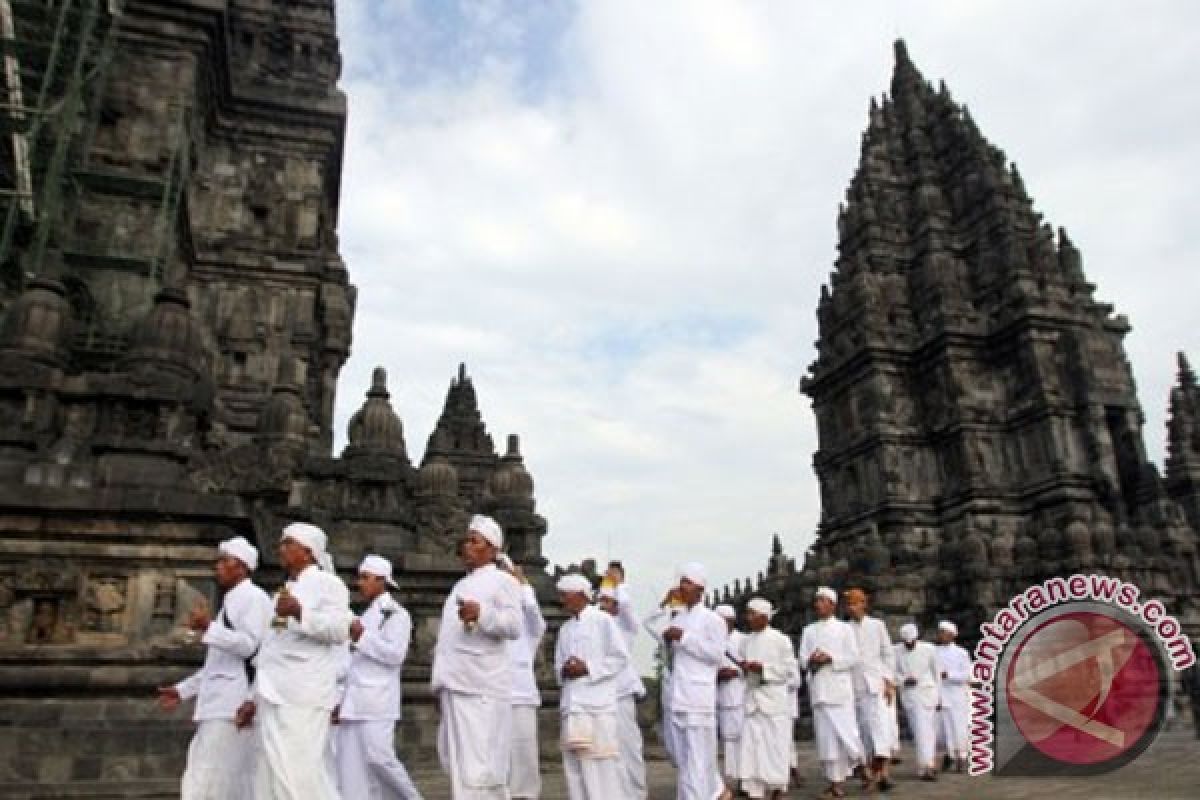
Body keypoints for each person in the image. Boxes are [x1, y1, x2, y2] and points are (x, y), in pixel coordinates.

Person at [242, 522, 353, 800]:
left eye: (287, 543)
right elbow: (271, 647)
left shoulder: (329, 583)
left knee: (301, 769)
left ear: (308, 551)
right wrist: (252, 696)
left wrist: (301, 612)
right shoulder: (283, 590)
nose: (281, 549)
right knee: (271, 769)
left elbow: (340, 630)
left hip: (305, 690)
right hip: (273, 690)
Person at [158, 536, 272, 800]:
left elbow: (250, 647)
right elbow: (217, 663)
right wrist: (182, 690)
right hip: (219, 701)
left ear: (242, 567)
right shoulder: (231, 602)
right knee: (218, 774)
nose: (217, 567)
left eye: (225, 561)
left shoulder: (253, 599)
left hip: (233, 701)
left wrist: (209, 627)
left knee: (210, 774)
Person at [430, 515, 523, 799]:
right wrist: (440, 682)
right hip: (456, 684)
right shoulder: (459, 586)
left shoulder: (502, 582)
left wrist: (481, 614)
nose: (467, 546)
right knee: (457, 764)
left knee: (480, 769)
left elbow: (513, 626)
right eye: (466, 540)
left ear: (493, 549)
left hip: (482, 686)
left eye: (475, 541)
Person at [335, 555, 424, 799]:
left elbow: (395, 655)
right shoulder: (363, 617)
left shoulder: (397, 615)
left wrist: (362, 637)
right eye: (359, 578)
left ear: (382, 581)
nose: (359, 583)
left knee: (380, 758)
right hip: (354, 701)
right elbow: (351, 663)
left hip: (378, 700)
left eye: (365, 578)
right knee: (350, 767)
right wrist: (340, 700)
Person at [555, 573, 630, 798]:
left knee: (600, 765)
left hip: (597, 706)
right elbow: (558, 665)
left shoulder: (603, 620)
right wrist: (565, 670)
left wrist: (587, 667)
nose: (562, 600)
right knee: (575, 769)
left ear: (579, 595)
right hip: (573, 706)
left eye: (564, 595)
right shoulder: (565, 629)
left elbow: (619, 657)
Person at [662, 563, 732, 800]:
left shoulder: (713, 620)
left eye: (688, 582)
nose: (682, 586)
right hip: (678, 696)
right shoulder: (678, 617)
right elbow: (651, 627)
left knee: (700, 759)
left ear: (700, 588)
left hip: (699, 699)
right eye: (681, 581)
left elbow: (716, 654)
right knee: (683, 760)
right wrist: (665, 608)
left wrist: (685, 638)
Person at [798, 586, 864, 799]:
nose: (818, 604)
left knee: (847, 734)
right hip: (819, 689)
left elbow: (853, 657)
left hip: (839, 690)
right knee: (827, 740)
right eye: (817, 601)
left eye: (823, 601)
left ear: (833, 605)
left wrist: (831, 658)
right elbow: (802, 659)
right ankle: (835, 783)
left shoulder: (844, 629)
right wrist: (812, 660)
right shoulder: (809, 630)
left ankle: (862, 764)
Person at [736, 598, 798, 800]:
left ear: (764, 616)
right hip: (753, 701)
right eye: (748, 613)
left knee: (775, 748)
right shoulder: (746, 641)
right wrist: (746, 668)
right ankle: (755, 792)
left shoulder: (780, 639)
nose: (748, 617)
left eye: (752, 613)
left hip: (774, 700)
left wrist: (763, 668)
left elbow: (790, 672)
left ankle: (777, 790)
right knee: (752, 749)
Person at [597, 563, 648, 799]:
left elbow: (627, 607)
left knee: (628, 746)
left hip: (622, 691)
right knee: (606, 748)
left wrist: (619, 584)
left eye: (608, 602)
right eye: (601, 602)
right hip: (600, 694)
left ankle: (636, 793)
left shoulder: (626, 625)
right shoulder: (595, 625)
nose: (603, 606)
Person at [503, 555, 547, 800]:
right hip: (494, 693)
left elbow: (536, 619)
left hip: (521, 695)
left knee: (524, 755)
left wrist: (524, 584)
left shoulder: (527, 627)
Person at [844, 588, 896, 791]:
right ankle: (870, 773)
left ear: (864, 604)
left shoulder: (877, 626)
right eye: (849, 604)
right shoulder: (844, 628)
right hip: (852, 685)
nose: (852, 607)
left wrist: (889, 680)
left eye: (855, 603)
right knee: (861, 730)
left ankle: (883, 772)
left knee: (881, 728)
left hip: (876, 683)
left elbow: (887, 653)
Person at [643, 586, 686, 767]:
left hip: (689, 687)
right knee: (671, 731)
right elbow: (647, 623)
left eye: (678, 615)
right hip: (670, 686)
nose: (675, 618)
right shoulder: (666, 635)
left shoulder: (693, 632)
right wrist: (663, 603)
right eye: (673, 614)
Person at [894, 623, 941, 781]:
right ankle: (926, 765)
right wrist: (903, 680)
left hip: (928, 693)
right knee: (920, 731)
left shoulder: (929, 649)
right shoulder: (896, 651)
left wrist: (939, 697)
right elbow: (892, 674)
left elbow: (937, 674)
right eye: (907, 642)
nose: (909, 645)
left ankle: (929, 765)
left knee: (928, 731)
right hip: (910, 696)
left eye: (912, 642)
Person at [714, 605, 746, 794]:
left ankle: (745, 780)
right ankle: (732, 780)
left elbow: (750, 666)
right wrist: (718, 674)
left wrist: (735, 672)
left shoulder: (743, 640)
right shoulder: (712, 640)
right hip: (721, 698)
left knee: (743, 740)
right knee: (729, 741)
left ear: (731, 621)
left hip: (740, 696)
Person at [935, 620, 971, 773]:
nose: (941, 635)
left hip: (957, 695)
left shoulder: (961, 653)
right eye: (940, 632)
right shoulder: (934, 651)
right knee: (944, 727)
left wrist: (948, 675)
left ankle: (962, 756)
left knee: (958, 727)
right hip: (941, 694)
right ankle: (949, 755)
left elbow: (967, 675)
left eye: (944, 632)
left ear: (952, 634)